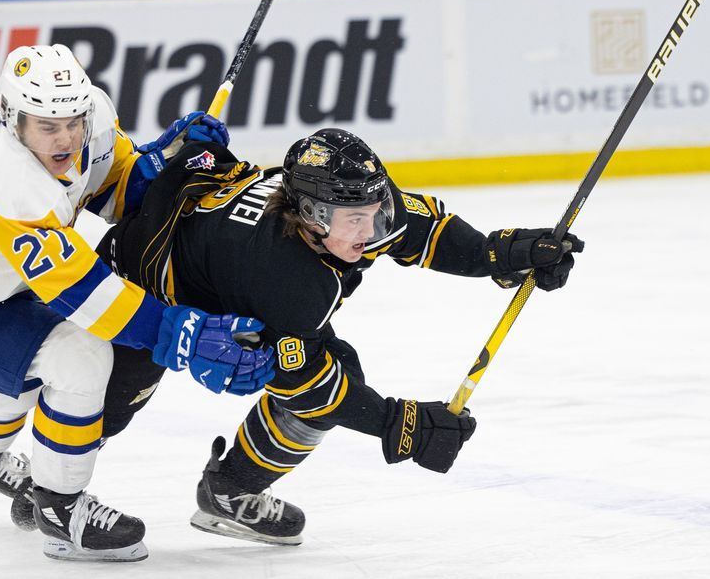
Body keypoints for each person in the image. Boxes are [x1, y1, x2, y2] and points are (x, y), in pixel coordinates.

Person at [0, 44, 276, 561]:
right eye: (48, 125)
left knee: (26, 367)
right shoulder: (7, 183)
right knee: (80, 357)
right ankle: (60, 510)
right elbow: (81, 290)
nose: (65, 137)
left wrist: (166, 160)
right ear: (12, 119)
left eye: (72, 121)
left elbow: (111, 188)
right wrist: (178, 333)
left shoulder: (93, 118)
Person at [88, 128, 584, 545]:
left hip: (212, 259)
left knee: (339, 370)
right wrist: (400, 424)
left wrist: (500, 254)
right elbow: (307, 385)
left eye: (376, 213)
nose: (370, 232)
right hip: (136, 289)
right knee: (97, 413)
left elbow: (422, 230)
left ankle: (229, 492)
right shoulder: (294, 281)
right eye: (356, 222)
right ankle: (44, 488)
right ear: (310, 215)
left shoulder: (355, 209)